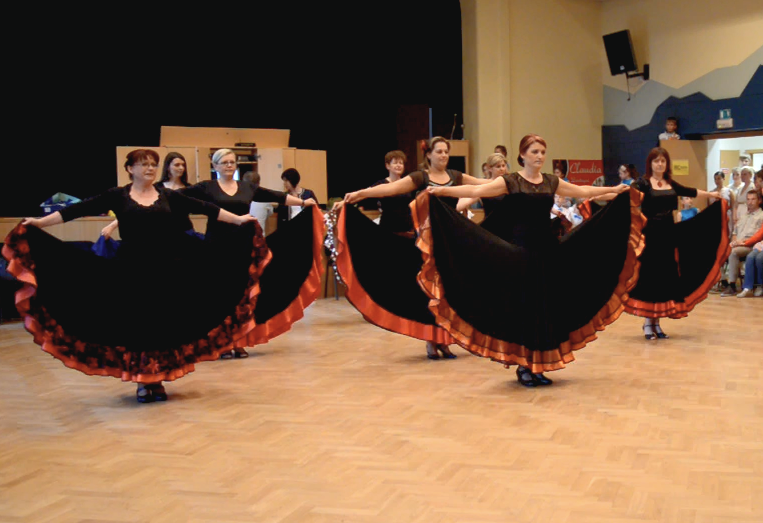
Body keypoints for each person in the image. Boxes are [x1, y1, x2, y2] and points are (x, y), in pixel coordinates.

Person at [2, 150, 261, 403]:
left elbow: (206, 208)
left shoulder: (167, 195)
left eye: (153, 164)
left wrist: (239, 220)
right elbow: (76, 210)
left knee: (161, 323)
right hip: (131, 269)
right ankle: (142, 380)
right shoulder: (118, 195)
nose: (149, 168)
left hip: (165, 268)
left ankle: (157, 378)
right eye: (144, 164)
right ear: (130, 169)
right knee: (138, 324)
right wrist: (39, 222)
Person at [419, 134, 638, 387]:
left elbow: (584, 191)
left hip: (547, 251)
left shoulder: (550, 182)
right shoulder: (511, 181)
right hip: (521, 253)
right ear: (522, 155)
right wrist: (443, 190)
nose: (539, 156)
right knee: (525, 310)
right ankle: (524, 366)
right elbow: (477, 190)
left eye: (542, 152)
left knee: (544, 308)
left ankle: (538, 365)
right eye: (534, 152)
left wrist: (614, 191)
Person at [338, 137, 490, 360]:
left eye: (446, 152)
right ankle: (432, 340)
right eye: (439, 151)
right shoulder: (421, 177)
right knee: (430, 292)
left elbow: (481, 184)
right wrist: (360, 194)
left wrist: (510, 181)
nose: (443, 155)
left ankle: (445, 340)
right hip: (427, 242)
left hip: (450, 241)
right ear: (428, 155)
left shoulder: (456, 176)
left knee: (448, 293)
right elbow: (390, 189)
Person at [182, 149, 322, 358]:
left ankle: (238, 340)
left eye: (232, 162)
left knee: (241, 294)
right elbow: (178, 198)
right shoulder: (206, 187)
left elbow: (276, 196)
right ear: (216, 166)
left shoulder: (246, 187)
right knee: (220, 295)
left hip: (243, 244)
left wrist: (303, 202)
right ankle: (221, 343)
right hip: (217, 246)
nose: (229, 165)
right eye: (224, 162)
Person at [625, 147, 726, 339]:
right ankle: (648, 323)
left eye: (663, 161)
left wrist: (712, 195)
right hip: (650, 235)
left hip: (668, 234)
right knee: (651, 277)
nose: (660, 164)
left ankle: (658, 323)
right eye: (656, 161)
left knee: (665, 277)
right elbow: (626, 197)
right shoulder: (643, 183)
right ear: (650, 163)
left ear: (666, 164)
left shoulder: (670, 183)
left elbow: (691, 191)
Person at [722, 191, 763, 297]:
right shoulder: (744, 216)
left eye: (753, 199)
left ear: (759, 201)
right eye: (748, 199)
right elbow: (735, 232)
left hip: (751, 245)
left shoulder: (761, 216)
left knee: (733, 252)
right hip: (739, 244)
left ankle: (732, 285)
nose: (750, 202)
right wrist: (735, 241)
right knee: (719, 251)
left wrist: (741, 243)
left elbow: (757, 237)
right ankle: (723, 282)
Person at [243, 171, 276, 236]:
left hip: (244, 238)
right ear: (259, 183)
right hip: (259, 238)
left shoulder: (240, 198)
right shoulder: (265, 198)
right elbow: (270, 213)